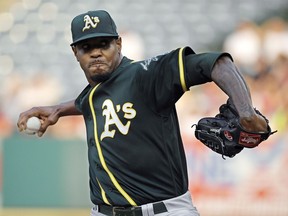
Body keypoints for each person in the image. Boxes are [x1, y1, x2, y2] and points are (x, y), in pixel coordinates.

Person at [17, 10, 269, 216]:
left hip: (165, 211)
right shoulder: (92, 93)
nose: (95, 52)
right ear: (75, 53)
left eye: (103, 44)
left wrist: (246, 112)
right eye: (86, 46)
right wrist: (58, 110)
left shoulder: (147, 74)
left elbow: (217, 63)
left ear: (119, 43)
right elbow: (89, 102)